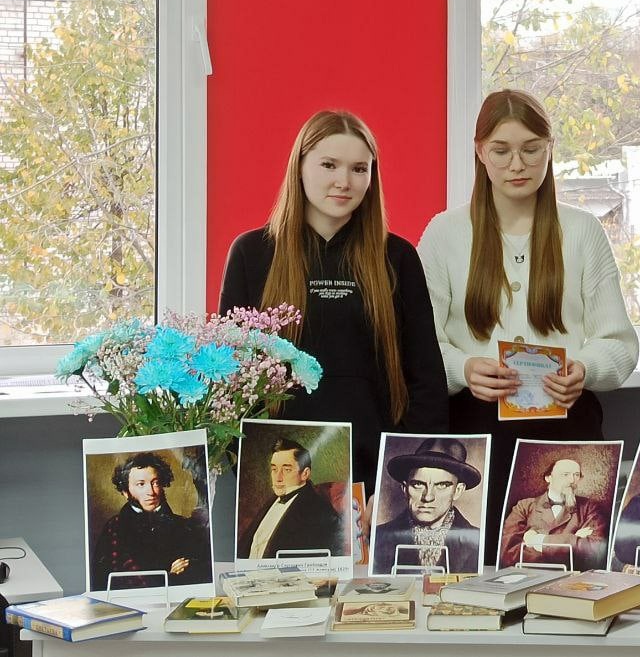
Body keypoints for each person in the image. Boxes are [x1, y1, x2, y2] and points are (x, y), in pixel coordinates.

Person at [418, 89, 638, 556]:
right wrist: (463, 369)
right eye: (501, 150)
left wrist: (584, 369)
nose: (517, 164)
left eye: (531, 149)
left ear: (550, 148)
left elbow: (620, 345)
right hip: (475, 430)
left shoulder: (583, 231)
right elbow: (418, 346)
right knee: (477, 569)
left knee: (568, 574)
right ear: (480, 152)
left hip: (566, 429)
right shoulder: (444, 233)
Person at [219, 110, 449, 488]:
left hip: (376, 478)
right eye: (329, 165)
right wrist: (252, 480)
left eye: (359, 169)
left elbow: (426, 382)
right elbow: (229, 379)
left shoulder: (398, 258)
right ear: (300, 166)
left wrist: (400, 484)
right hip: (278, 474)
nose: (344, 181)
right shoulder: (251, 253)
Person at [90, 452, 212, 590]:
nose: (151, 492)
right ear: (125, 491)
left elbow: (201, 574)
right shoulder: (115, 527)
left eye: (155, 483)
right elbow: (115, 580)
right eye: (141, 484)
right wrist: (169, 577)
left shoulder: (182, 525)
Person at [372, 438, 483, 574]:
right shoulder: (379, 537)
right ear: (405, 488)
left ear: (458, 491)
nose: (428, 497)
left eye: (442, 485)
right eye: (418, 484)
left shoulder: (478, 540)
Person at [242, 438, 346, 560]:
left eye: (286, 470)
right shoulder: (271, 502)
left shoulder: (320, 512)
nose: (278, 478)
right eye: (274, 469)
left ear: (305, 474)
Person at [497, 458, 607, 570]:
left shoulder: (589, 507)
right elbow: (508, 553)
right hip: (532, 575)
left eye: (576, 475)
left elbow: (594, 551)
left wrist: (539, 541)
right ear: (548, 477)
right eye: (565, 474)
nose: (571, 480)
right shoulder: (524, 507)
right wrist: (574, 541)